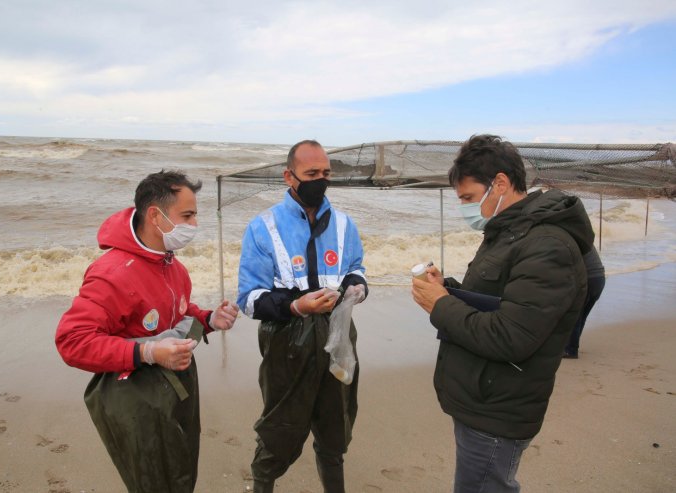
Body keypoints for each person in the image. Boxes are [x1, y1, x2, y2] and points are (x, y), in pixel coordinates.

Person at [412, 135, 594, 493]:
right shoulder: (509, 233)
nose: (464, 207)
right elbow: (494, 299)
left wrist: (439, 305)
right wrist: (446, 288)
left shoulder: (546, 245)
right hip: (484, 395)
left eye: (467, 198)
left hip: (498, 408)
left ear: (500, 183)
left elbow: (512, 336)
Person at [55, 170, 239, 493]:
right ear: (155, 215)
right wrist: (148, 351)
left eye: (195, 214)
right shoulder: (112, 273)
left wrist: (210, 319)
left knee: (182, 466)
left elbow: (179, 312)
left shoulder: (174, 266)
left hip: (179, 383)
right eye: (187, 215)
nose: (194, 225)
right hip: (137, 394)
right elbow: (72, 341)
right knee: (153, 479)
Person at [237, 140, 368, 493]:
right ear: (288, 177)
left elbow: (356, 269)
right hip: (287, 340)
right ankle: (262, 484)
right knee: (280, 429)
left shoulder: (343, 224)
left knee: (335, 429)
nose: (320, 181)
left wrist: (357, 288)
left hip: (338, 334)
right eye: (311, 174)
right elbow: (249, 300)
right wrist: (296, 307)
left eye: (325, 173)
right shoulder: (262, 227)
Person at [563, 247, 606, 358]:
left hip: (588, 279)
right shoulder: (583, 237)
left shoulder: (570, 240)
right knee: (581, 316)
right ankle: (571, 345)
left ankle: (571, 350)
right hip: (599, 278)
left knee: (575, 316)